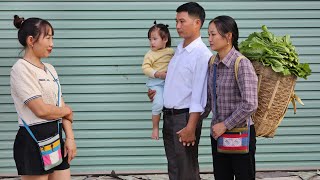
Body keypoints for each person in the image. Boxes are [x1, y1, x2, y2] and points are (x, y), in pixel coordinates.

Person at [148, 2, 212, 180]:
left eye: (182, 21)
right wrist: (159, 94)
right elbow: (176, 82)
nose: (177, 26)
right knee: (174, 168)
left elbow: (200, 95)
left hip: (185, 119)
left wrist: (191, 127)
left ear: (197, 23)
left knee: (186, 170)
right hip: (169, 116)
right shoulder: (179, 50)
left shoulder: (201, 55)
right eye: (176, 21)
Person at [10, 15, 76, 179]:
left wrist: (70, 138)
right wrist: (66, 110)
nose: (52, 44)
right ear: (31, 40)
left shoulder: (50, 69)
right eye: (47, 38)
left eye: (52, 38)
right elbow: (41, 110)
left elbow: (61, 106)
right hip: (32, 142)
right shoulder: (21, 69)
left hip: (56, 138)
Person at [207, 15, 258, 180]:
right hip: (218, 135)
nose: (209, 39)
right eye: (208, 34)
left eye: (213, 34)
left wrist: (225, 124)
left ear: (228, 36)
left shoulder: (241, 64)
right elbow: (209, 99)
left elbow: (250, 104)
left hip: (240, 134)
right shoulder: (212, 62)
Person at [142, 21, 174, 140]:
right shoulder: (150, 54)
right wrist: (157, 74)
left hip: (169, 84)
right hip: (156, 84)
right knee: (158, 103)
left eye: (155, 39)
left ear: (165, 39)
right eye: (150, 39)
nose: (152, 42)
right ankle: (155, 127)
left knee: (168, 104)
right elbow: (145, 68)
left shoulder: (171, 52)